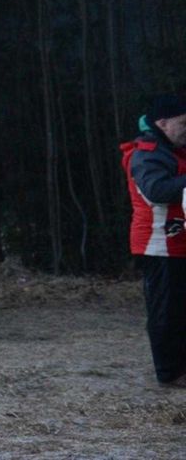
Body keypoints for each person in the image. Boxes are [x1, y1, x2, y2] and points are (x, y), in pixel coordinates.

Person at [120, 95, 186, 387]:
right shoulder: (145, 155)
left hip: (178, 242)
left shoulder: (173, 150)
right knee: (166, 312)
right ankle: (170, 373)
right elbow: (157, 191)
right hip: (158, 244)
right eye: (184, 124)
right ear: (163, 123)